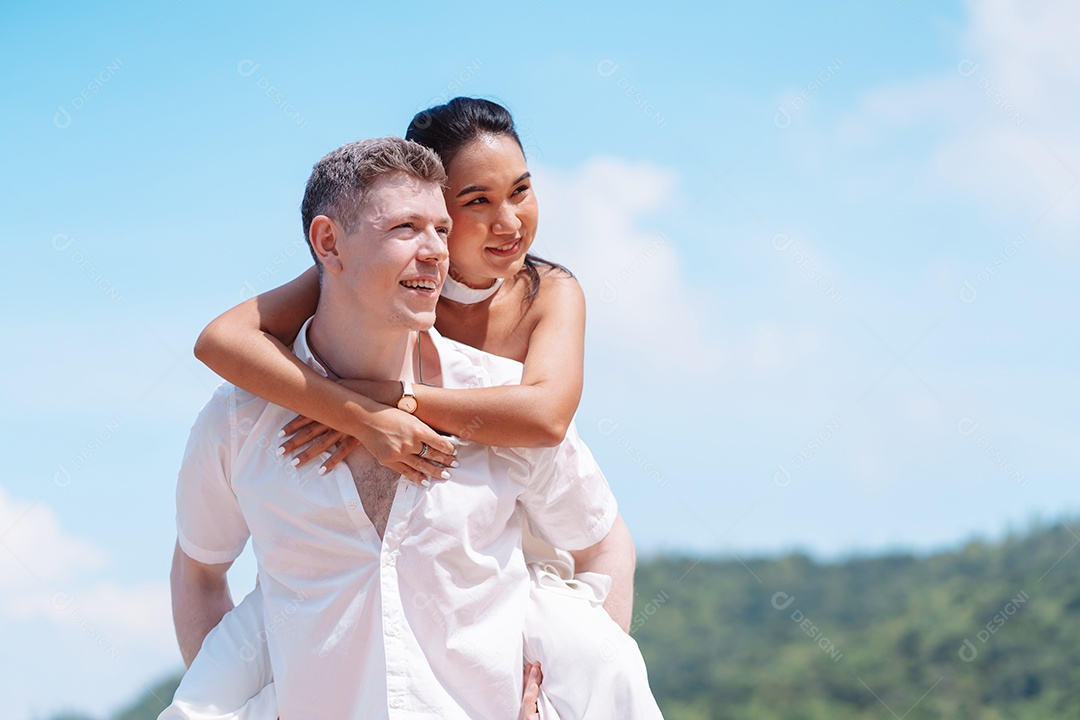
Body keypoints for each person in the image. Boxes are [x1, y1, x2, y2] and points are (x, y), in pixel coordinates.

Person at [185, 99, 664, 718]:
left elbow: (545, 417)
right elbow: (223, 339)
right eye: (475, 203)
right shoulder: (350, 278)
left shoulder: (545, 290)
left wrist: (393, 402)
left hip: (522, 550)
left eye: (520, 191)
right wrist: (355, 414)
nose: (509, 222)